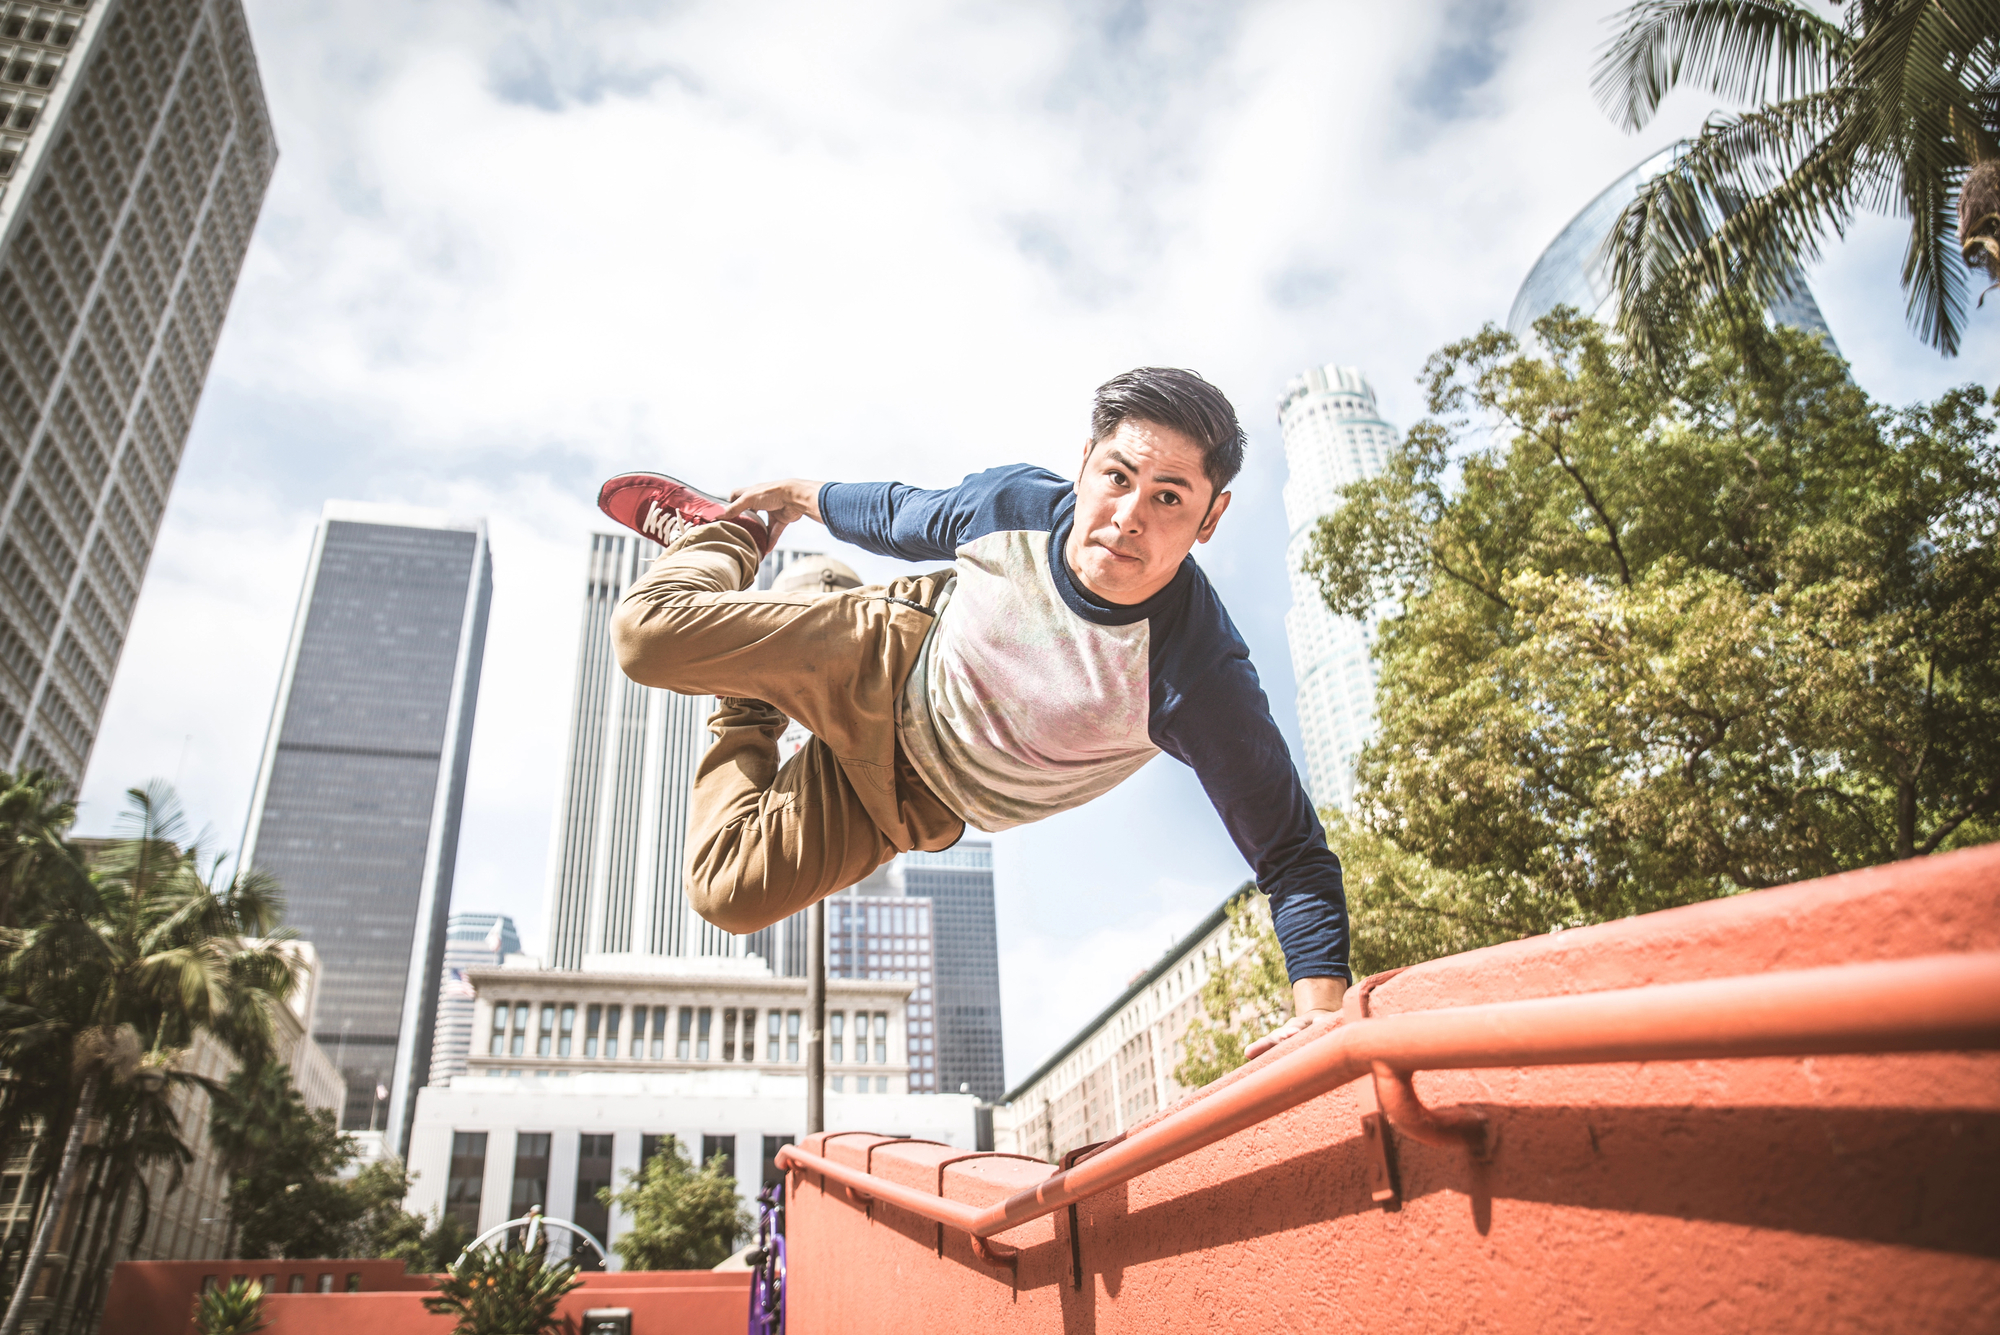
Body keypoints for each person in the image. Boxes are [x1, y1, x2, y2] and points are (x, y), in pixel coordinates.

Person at [600, 367, 1349, 1054]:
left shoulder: (1197, 673)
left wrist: (1320, 1013)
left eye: (1168, 498)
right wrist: (800, 498)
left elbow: (1291, 852)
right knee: (646, 637)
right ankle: (718, 537)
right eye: (1116, 477)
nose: (1127, 518)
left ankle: (751, 694)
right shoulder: (1013, 506)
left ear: (1208, 518)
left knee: (727, 891)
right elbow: (901, 514)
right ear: (1085, 462)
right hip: (886, 659)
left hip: (911, 798)